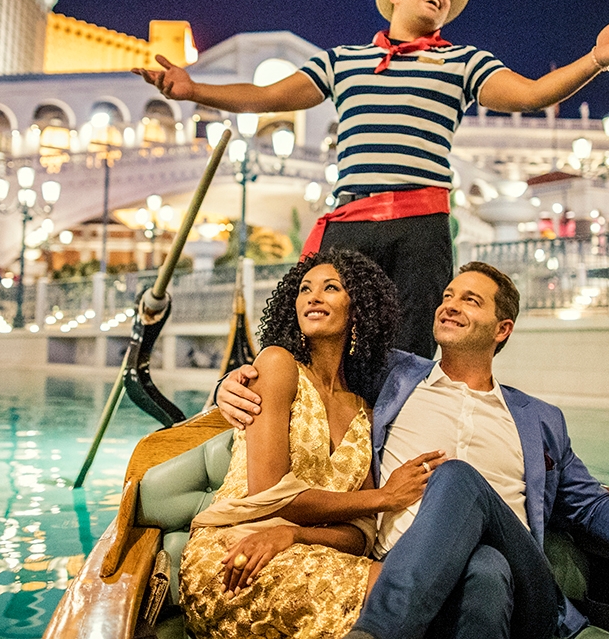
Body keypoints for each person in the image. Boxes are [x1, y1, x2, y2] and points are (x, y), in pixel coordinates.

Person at [134, 0, 609, 360]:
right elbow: (267, 97)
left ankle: (391, 467)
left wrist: (599, 58)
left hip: (421, 227)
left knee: (410, 350)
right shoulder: (344, 61)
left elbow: (531, 94)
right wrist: (192, 90)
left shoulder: (464, 62)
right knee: (325, 344)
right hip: (351, 223)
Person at [216, 262, 609, 639]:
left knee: (457, 480)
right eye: (448, 296)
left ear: (502, 329)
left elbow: (591, 503)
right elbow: (312, 369)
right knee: (482, 569)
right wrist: (232, 387)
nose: (450, 306)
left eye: (470, 301)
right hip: (412, 572)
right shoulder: (390, 379)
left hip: (530, 590)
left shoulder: (538, 420)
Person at [180, 248, 447, 639]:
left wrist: (294, 533)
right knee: (398, 592)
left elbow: (360, 535)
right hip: (233, 553)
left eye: (331, 288)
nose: (313, 297)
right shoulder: (277, 365)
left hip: (305, 552)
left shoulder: (365, 414)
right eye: (305, 289)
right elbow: (268, 491)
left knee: (406, 591)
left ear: (358, 310)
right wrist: (384, 497)